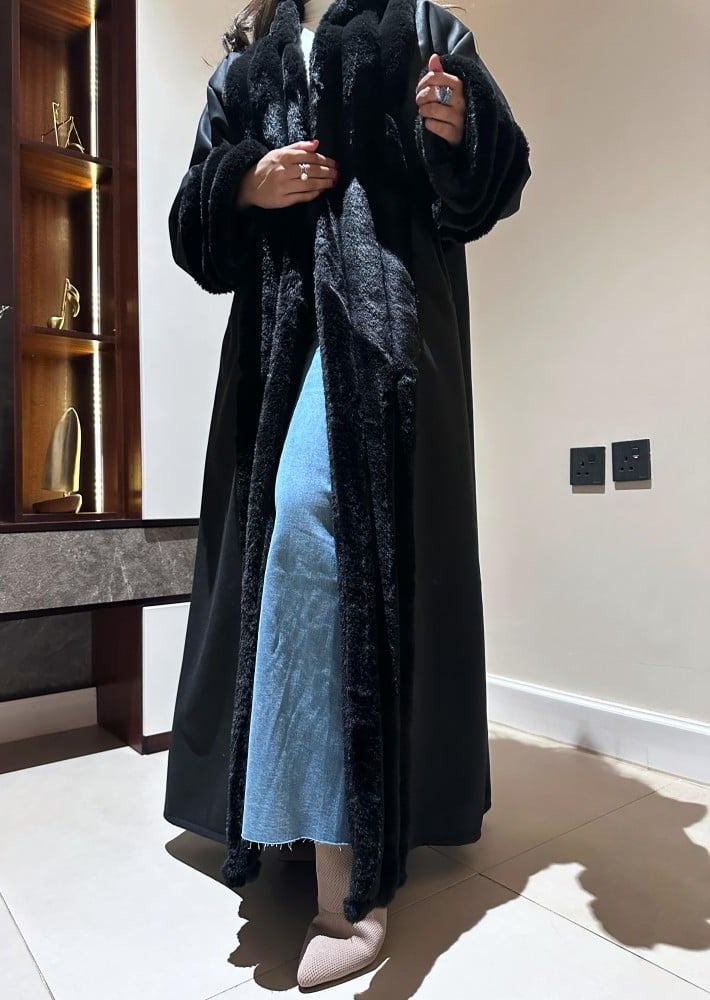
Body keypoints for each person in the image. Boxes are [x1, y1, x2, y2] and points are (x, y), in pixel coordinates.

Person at [165, 0, 531, 987]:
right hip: (277, 352)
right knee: (297, 552)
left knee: (316, 538)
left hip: (383, 336)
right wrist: (246, 183)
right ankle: (299, 820)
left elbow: (494, 182)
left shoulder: (424, 27)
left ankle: (347, 883)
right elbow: (193, 229)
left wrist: (460, 133)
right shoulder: (247, 66)